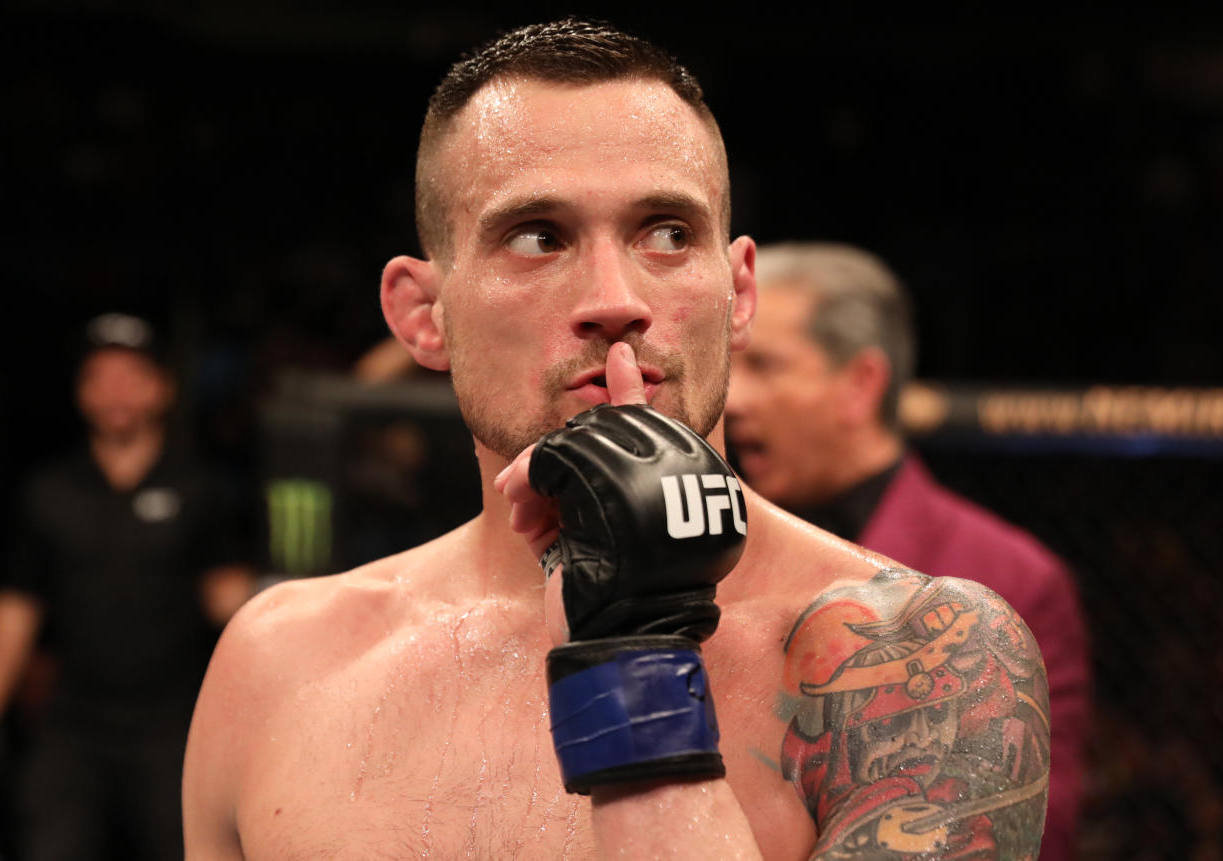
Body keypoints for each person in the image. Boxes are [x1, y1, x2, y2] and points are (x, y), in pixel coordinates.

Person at [184, 20, 1050, 859]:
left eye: (667, 234)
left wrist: (636, 657)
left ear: (737, 291)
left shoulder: (920, 660)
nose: (614, 296)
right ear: (423, 314)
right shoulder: (278, 664)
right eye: (538, 236)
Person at [725, 241, 1090, 859]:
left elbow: (1029, 825)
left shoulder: (1013, 576)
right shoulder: (700, 549)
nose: (734, 400)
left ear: (861, 384)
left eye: (765, 366)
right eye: (732, 369)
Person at [0, 312, 255, 861]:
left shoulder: (200, 489)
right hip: (71, 725)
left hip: (173, 727)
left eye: (131, 375)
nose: (116, 391)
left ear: (162, 388)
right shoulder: (48, 492)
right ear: (81, 393)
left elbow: (233, 608)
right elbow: (16, 608)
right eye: (100, 377)